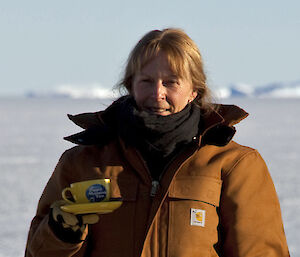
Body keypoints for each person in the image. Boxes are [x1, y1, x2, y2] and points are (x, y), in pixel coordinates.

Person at [25, 28, 290, 257]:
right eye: (147, 81)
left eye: (171, 82)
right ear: (131, 85)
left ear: (194, 90)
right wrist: (60, 232)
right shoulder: (85, 162)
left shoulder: (233, 165)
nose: (157, 93)